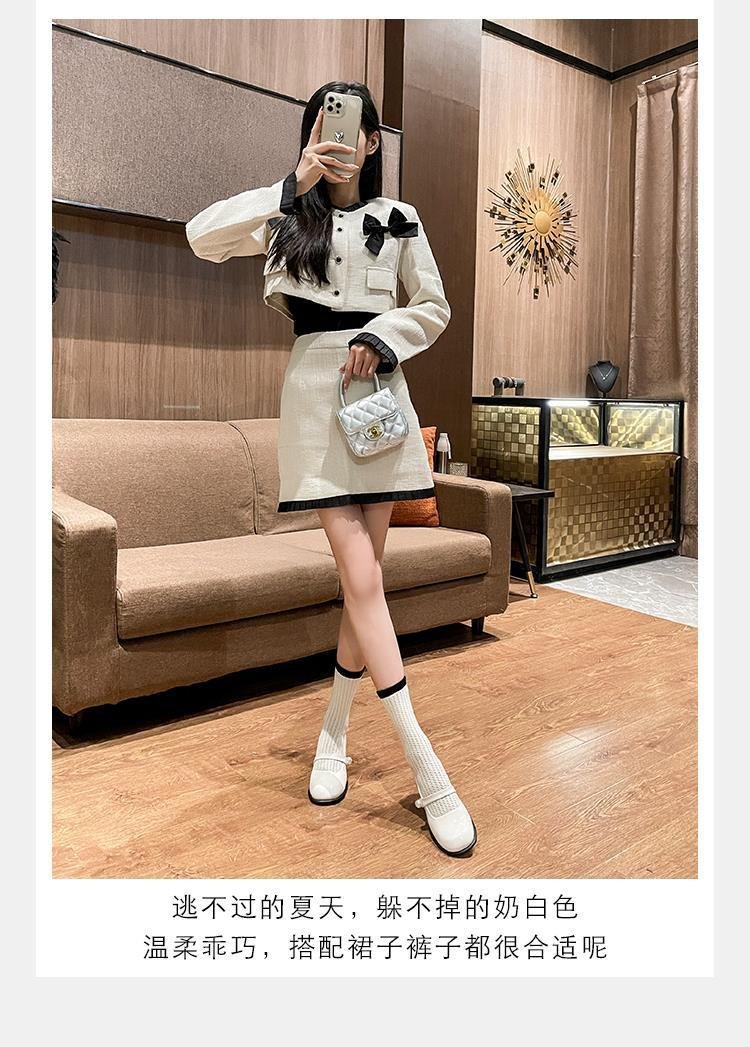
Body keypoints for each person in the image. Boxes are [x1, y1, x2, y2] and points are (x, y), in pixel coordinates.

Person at [185, 81, 476, 857]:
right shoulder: (286, 215)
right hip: (315, 406)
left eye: (352, 125)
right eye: (324, 120)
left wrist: (384, 335)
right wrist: (294, 181)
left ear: (374, 141)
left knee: (362, 586)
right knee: (364, 581)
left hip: (380, 398)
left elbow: (435, 305)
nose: (339, 134)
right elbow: (201, 235)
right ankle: (427, 765)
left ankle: (333, 734)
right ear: (313, 130)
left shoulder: (400, 217)